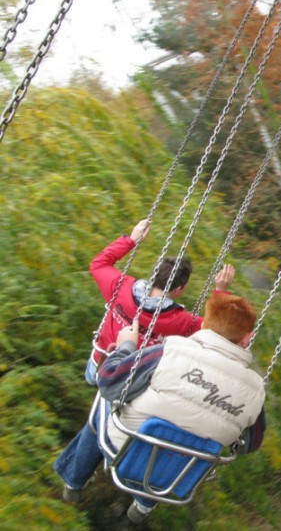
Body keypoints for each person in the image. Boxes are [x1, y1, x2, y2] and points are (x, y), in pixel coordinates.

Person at [55, 291, 267, 523]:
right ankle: (144, 505)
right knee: (182, 443)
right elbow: (249, 445)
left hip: (123, 448)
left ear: (204, 325)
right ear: (248, 338)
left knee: (105, 399)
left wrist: (125, 347)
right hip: (180, 474)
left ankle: (74, 478)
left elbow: (109, 380)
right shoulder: (256, 390)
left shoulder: (170, 351)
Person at [85, 219, 235, 385]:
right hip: (132, 383)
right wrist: (220, 290)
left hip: (99, 365)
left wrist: (131, 240)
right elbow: (217, 330)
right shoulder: (180, 321)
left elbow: (98, 265)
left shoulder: (120, 287)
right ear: (179, 289)